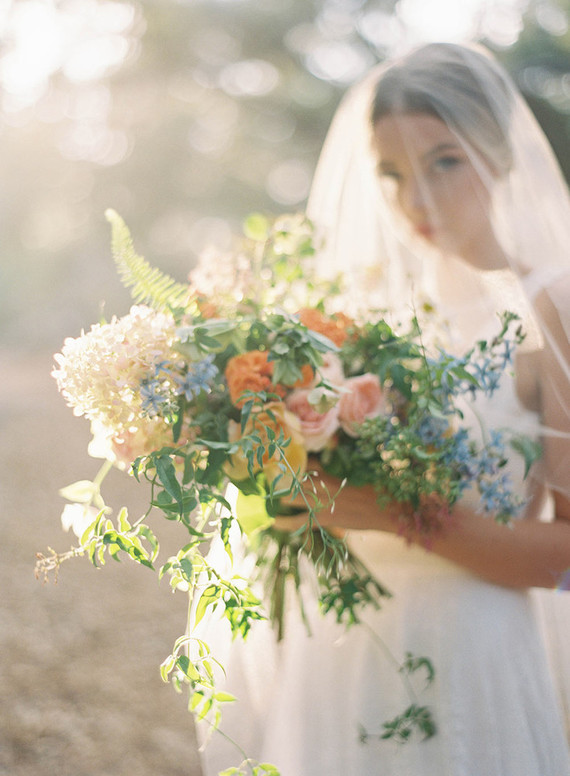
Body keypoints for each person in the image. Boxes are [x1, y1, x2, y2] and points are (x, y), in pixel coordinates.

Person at [198, 42, 570, 776]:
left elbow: (565, 553)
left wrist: (392, 512)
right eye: (391, 173)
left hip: (470, 657)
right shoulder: (351, 318)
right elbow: (297, 504)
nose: (415, 199)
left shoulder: (548, 311)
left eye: (444, 162)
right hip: (341, 649)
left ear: (498, 153)